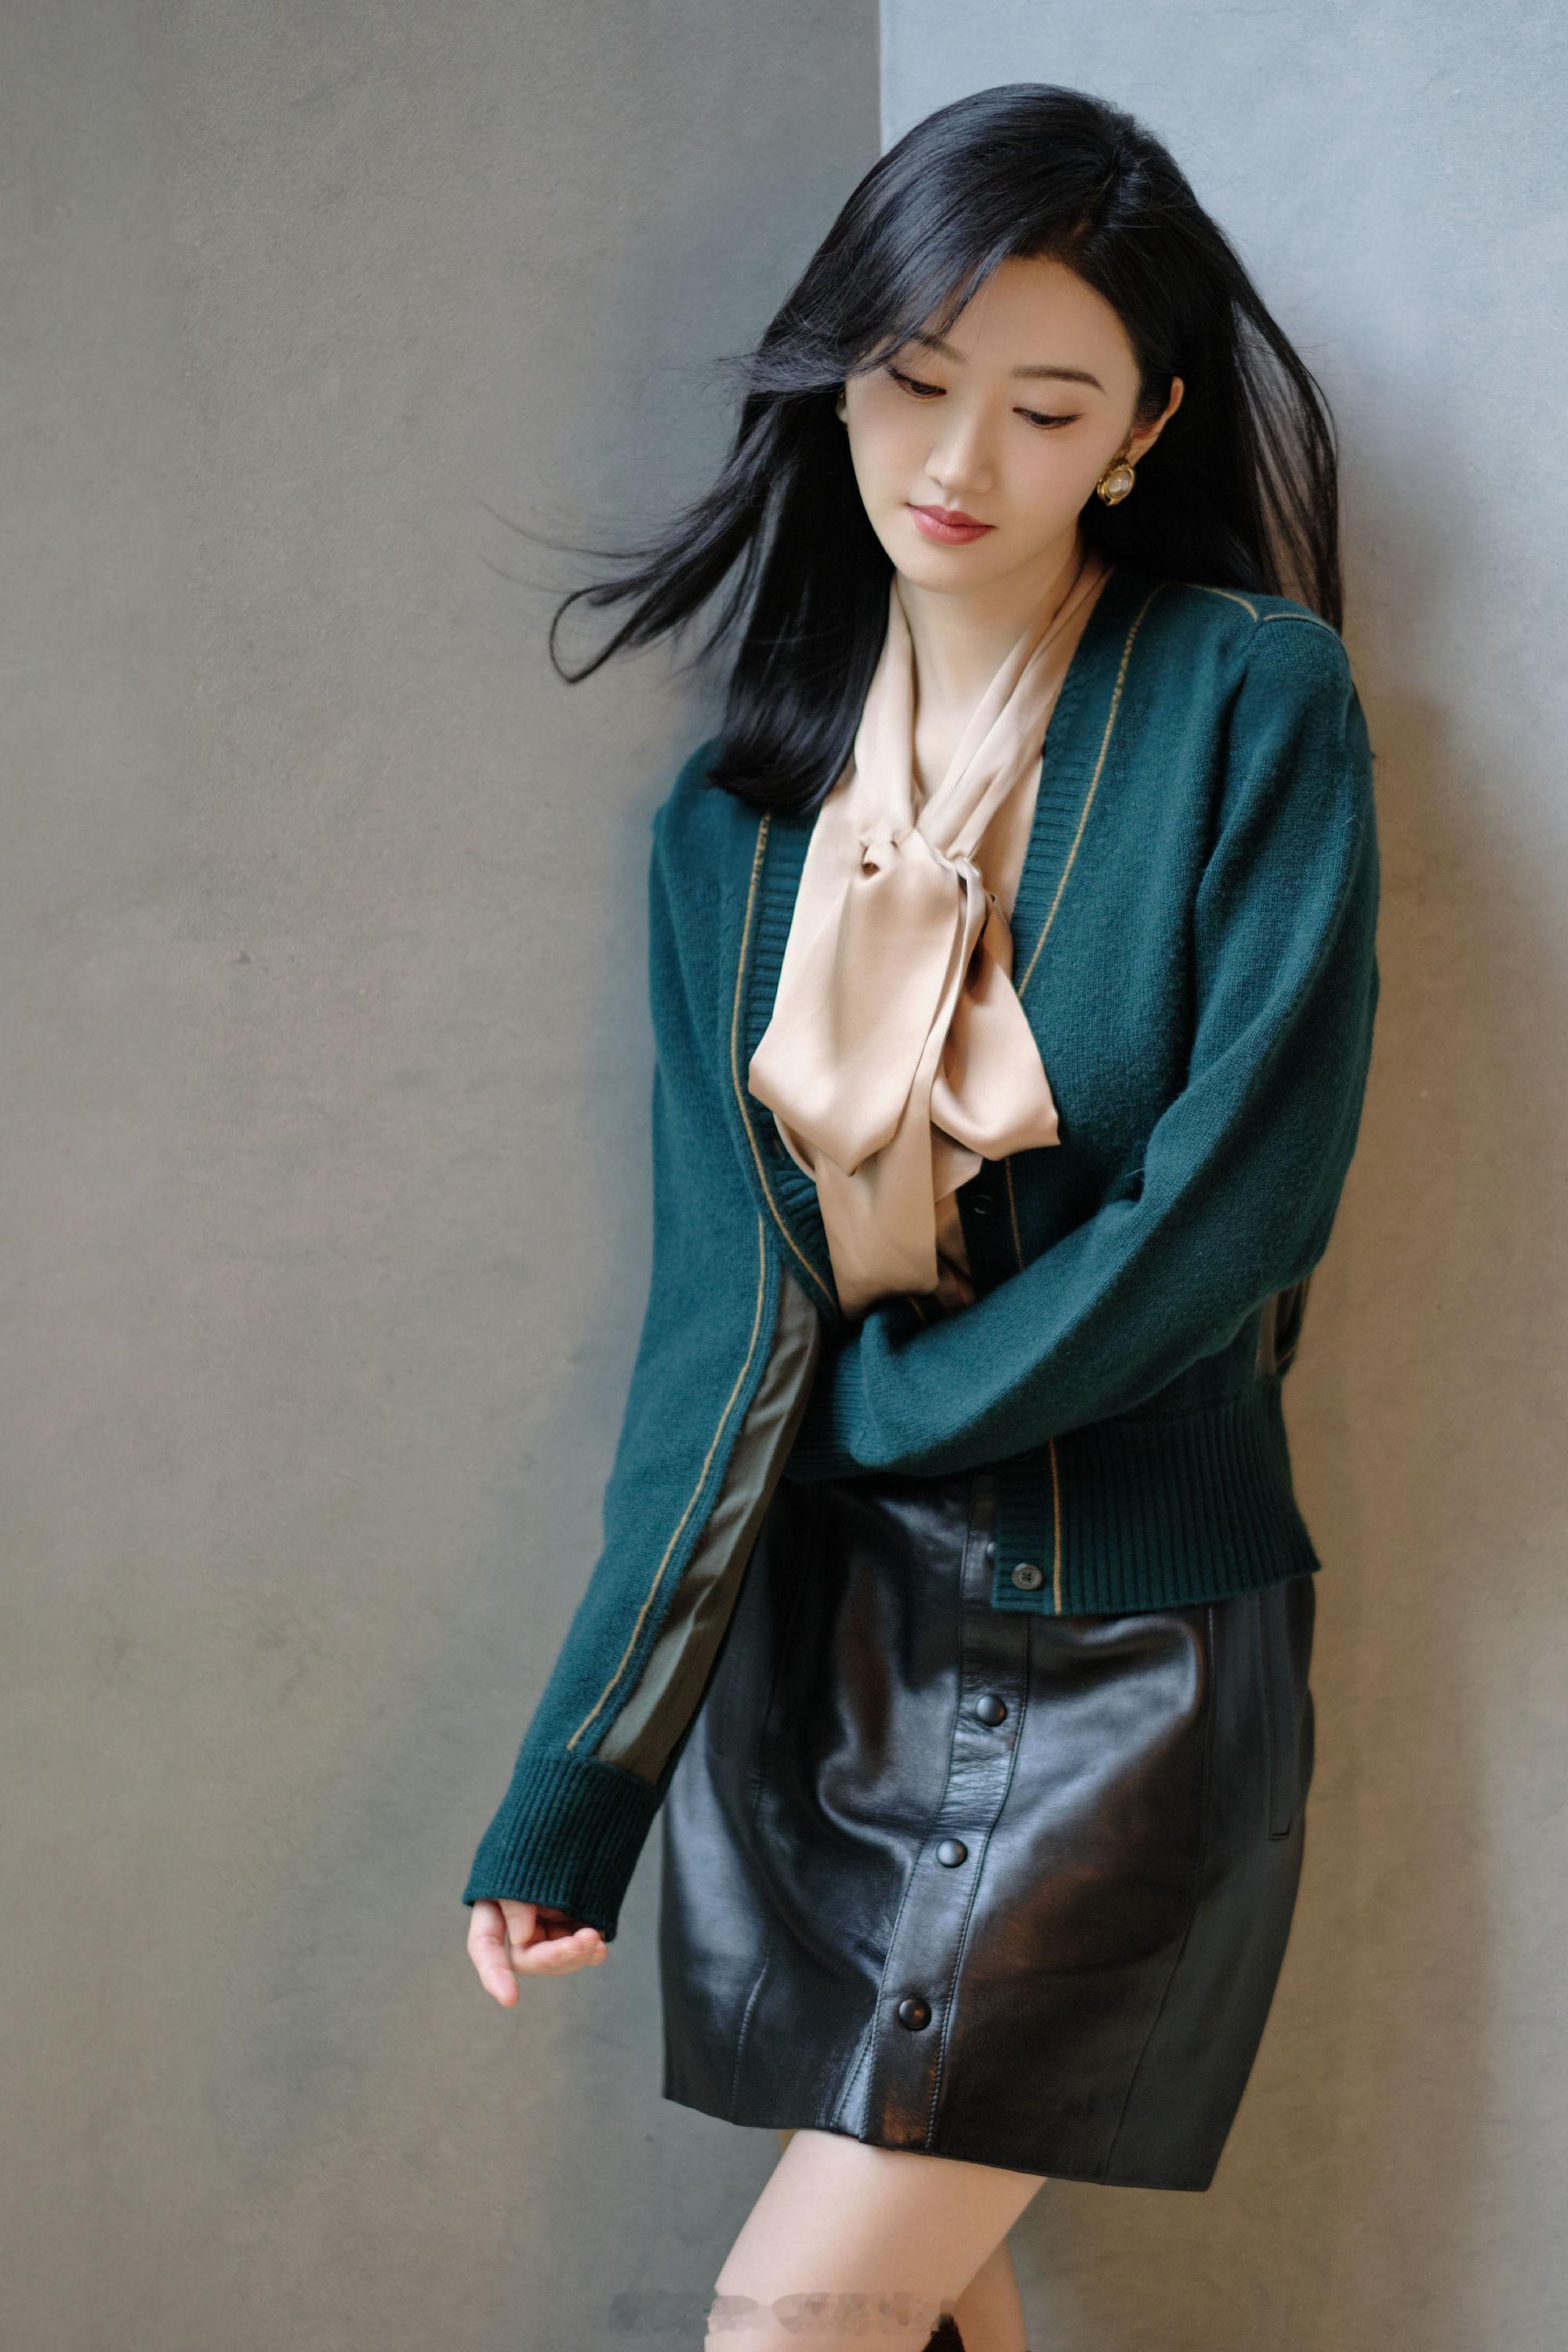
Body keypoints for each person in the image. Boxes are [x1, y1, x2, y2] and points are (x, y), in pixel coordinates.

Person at [459, 83, 1381, 2352]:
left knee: (794, 2324)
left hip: (1134, 1654)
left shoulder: (1245, 703)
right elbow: (726, 1326)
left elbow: (1241, 1207)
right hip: (830, 1666)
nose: (960, 455)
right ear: (837, 369)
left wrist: (900, 1407)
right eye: (914, 378)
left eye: (1047, 407)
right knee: (926, 2321)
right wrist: (577, 1783)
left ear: (1143, 431)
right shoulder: (732, 824)